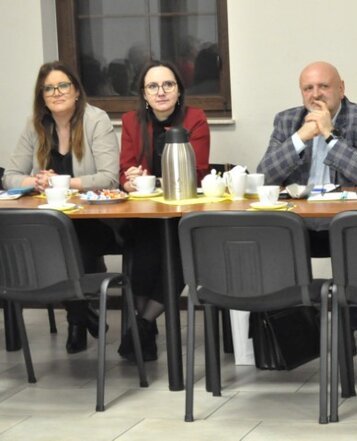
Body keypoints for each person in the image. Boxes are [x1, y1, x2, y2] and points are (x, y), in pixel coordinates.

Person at [3, 61, 120, 354]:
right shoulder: (35, 125)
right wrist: (36, 181)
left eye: (63, 86)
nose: (56, 93)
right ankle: (83, 314)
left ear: (77, 91)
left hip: (96, 220)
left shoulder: (96, 120)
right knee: (51, 237)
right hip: (50, 221)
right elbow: (10, 176)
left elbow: (109, 177)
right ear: (42, 97)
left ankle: (77, 318)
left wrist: (62, 182)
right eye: (49, 89)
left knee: (71, 239)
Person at [257, 61, 357, 332]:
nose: (316, 94)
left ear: (341, 88)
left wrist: (329, 134)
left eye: (323, 86)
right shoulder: (287, 120)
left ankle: (347, 325)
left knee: (352, 229)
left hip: (343, 221)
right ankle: (290, 325)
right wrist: (300, 138)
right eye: (308, 88)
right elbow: (265, 176)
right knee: (271, 233)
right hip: (298, 223)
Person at [118, 60, 210, 361]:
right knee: (144, 257)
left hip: (184, 213)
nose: (161, 92)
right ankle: (144, 328)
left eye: (168, 84)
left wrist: (153, 180)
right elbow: (124, 170)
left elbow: (198, 172)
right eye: (153, 86)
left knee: (178, 256)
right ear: (144, 94)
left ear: (179, 90)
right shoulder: (131, 121)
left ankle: (142, 325)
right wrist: (130, 180)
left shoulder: (195, 118)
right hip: (145, 214)